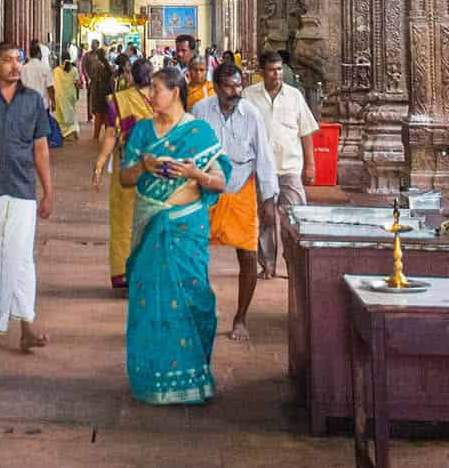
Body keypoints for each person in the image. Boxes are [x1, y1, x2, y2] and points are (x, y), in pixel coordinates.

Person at [120, 66, 230, 405]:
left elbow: (221, 181)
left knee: (196, 297)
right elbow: (125, 178)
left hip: (187, 224)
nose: (150, 95)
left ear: (175, 92)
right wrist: (144, 168)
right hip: (152, 220)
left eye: (156, 89)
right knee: (148, 298)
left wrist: (193, 172)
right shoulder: (141, 132)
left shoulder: (199, 132)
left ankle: (194, 374)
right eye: (150, 89)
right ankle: (154, 377)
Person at [0, 41, 53, 352]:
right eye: (7, 60)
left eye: (18, 60)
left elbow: (40, 149)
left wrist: (48, 191)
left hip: (21, 187)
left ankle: (26, 325)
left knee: (20, 257)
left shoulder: (32, 101)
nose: (15, 66)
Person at [191, 61, 278, 343]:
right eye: (229, 86)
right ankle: (199, 313)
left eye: (239, 85)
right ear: (216, 87)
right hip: (207, 190)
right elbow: (190, 151)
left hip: (241, 187)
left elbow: (263, 156)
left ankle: (241, 317)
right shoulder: (201, 111)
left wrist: (268, 200)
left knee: (249, 255)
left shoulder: (251, 114)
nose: (235, 91)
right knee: (194, 255)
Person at [245, 48, 318, 279]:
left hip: (290, 167)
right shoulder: (249, 96)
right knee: (264, 219)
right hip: (261, 168)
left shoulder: (295, 96)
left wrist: (310, 164)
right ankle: (267, 265)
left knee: (294, 218)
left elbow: (305, 131)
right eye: (271, 70)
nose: (276, 75)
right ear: (262, 72)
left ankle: (295, 266)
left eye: (279, 70)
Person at [92, 56, 154, 294]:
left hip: (127, 167)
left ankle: (126, 275)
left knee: (124, 223)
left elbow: (110, 135)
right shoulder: (163, 99)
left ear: (130, 76)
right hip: (155, 170)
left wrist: (99, 165)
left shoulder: (120, 100)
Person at [86, 44, 113, 142]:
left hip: (98, 91)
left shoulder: (97, 64)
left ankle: (96, 136)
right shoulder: (107, 64)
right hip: (107, 92)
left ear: (97, 55)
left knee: (98, 114)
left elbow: (94, 78)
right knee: (106, 114)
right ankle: (107, 134)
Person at [21, 40, 55, 111]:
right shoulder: (45, 68)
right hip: (43, 105)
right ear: (39, 54)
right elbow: (50, 87)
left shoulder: (23, 68)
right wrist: (53, 102)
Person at [53, 57, 80, 140]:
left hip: (60, 96)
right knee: (72, 114)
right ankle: (74, 131)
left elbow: (53, 84)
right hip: (71, 96)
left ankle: (63, 133)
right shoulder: (74, 70)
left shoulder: (56, 70)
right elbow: (77, 84)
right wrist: (77, 94)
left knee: (61, 115)